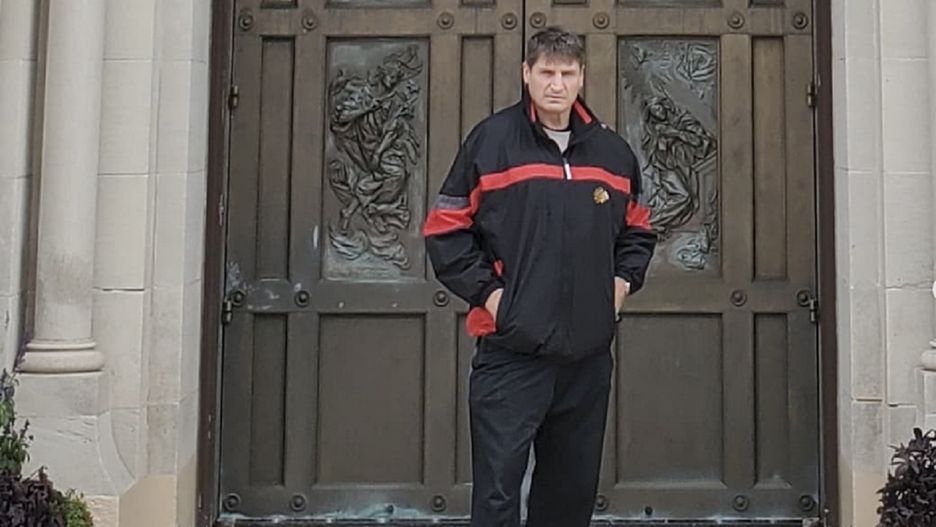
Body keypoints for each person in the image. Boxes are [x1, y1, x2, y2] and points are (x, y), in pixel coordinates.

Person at [423, 27, 657, 527]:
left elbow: (638, 230)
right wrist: (495, 299)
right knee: (497, 495)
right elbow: (444, 230)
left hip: (587, 359)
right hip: (511, 354)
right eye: (546, 72)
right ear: (525, 74)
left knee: (569, 497)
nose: (557, 84)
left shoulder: (612, 153)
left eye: (567, 73)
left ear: (582, 77)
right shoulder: (491, 142)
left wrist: (619, 286)